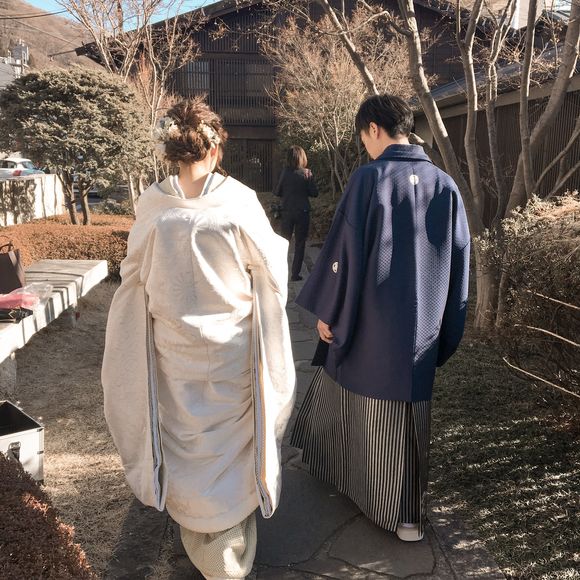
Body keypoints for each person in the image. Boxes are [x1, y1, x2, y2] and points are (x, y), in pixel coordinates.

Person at [101, 97, 296, 580]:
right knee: (234, 451)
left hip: (174, 353)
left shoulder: (153, 205)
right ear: (215, 148)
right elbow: (273, 270)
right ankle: (227, 552)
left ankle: (207, 541)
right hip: (233, 351)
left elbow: (133, 277)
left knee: (186, 448)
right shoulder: (239, 201)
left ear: (170, 151)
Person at [291, 94, 470, 542]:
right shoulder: (445, 185)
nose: (365, 146)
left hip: (370, 319)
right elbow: (461, 260)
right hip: (422, 325)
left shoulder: (370, 178)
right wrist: (446, 326)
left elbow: (344, 255)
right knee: (407, 410)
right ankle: (406, 515)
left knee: (353, 389)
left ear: (374, 129)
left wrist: (330, 312)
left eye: (363, 137)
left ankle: (359, 485)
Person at [274, 145, 318, 281]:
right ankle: (295, 274)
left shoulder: (284, 172)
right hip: (302, 211)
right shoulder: (306, 173)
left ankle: (279, 272)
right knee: (300, 243)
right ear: (302, 158)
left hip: (286, 211)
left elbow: (277, 192)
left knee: (283, 243)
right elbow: (314, 193)